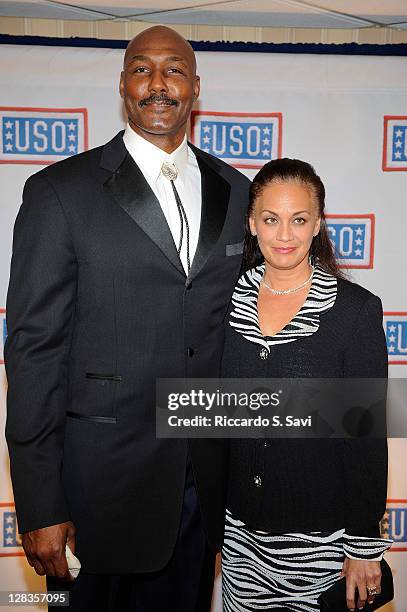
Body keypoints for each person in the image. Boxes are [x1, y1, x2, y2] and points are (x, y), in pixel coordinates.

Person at [4, 25, 250, 611]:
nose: (158, 84)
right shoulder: (59, 192)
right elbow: (35, 351)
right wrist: (40, 504)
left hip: (204, 491)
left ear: (196, 86)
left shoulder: (239, 192)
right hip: (96, 495)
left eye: (174, 70)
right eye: (142, 69)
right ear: (122, 84)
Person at [220, 158, 392, 612]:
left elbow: (366, 437)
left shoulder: (354, 312)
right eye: (271, 219)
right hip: (239, 541)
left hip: (323, 550)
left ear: (317, 224)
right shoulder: (223, 303)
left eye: (299, 220)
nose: (284, 235)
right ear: (251, 224)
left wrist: (362, 547)